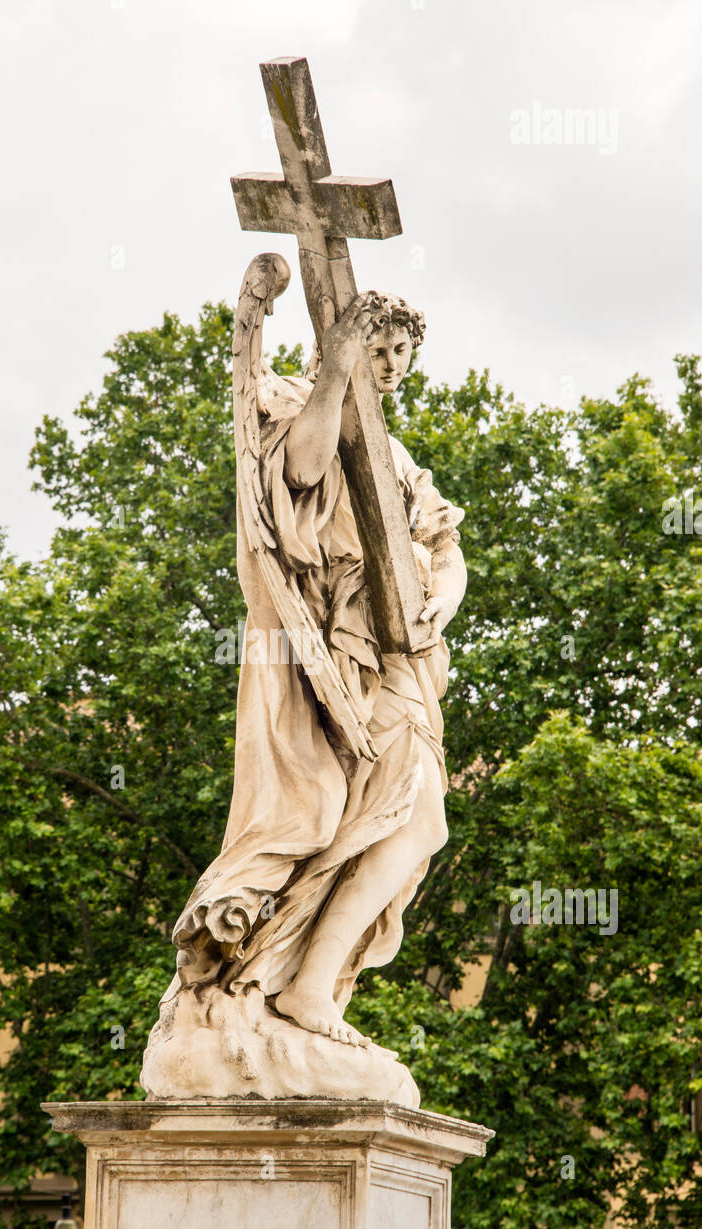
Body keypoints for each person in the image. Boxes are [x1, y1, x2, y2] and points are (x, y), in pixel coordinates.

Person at [164, 289, 466, 1050]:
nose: (390, 364)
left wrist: (443, 605)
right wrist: (333, 376)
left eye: (400, 352)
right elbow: (297, 471)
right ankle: (297, 984)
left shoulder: (398, 456)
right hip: (328, 648)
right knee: (380, 812)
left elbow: (443, 546)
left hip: (399, 652)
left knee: (415, 823)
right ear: (341, 345)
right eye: (376, 348)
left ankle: (308, 984)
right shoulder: (297, 399)